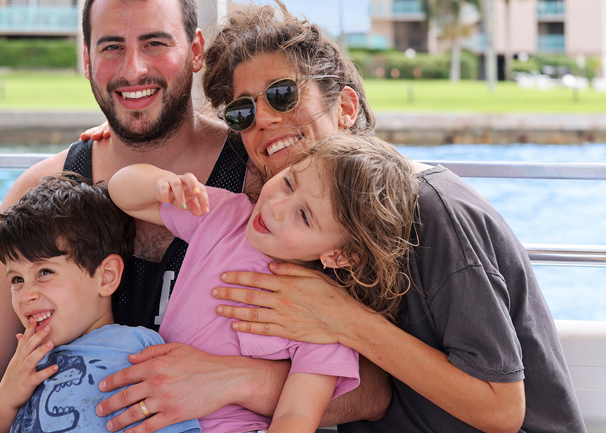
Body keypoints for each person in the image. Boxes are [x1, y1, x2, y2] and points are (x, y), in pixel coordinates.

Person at [0, 0, 390, 433]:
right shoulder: (48, 189)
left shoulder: (265, 184)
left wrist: (236, 380)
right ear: (87, 59)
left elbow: (372, 388)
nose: (133, 70)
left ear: (194, 51)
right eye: (111, 47)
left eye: (155, 43)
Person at [197, 0, 586, 432]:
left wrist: (343, 318)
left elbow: (501, 409)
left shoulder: (434, 211)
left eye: (282, 94)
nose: (264, 119)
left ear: (345, 108)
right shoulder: (288, 224)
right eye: (243, 113)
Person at [109, 134, 415, 432]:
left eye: (304, 216)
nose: (276, 206)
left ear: (339, 255)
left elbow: (296, 415)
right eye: (288, 183)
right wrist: (159, 183)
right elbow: (122, 193)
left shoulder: (322, 322)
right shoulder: (225, 215)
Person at [0, 175, 201, 433]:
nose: (26, 294)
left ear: (106, 276)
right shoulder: (25, 360)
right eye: (17, 279)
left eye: (45, 272)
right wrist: (6, 396)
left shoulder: (137, 350)